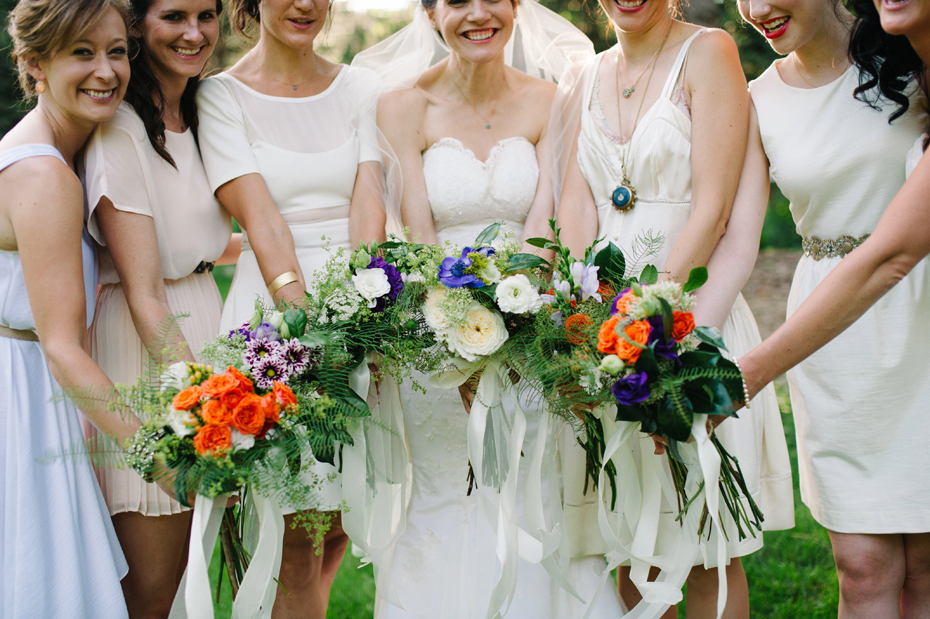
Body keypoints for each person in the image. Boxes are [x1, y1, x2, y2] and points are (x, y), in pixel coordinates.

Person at [356, 1, 623, 617]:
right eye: (455, 1)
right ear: (429, 14)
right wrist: (460, 342)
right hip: (432, 336)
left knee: (529, 491)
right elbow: (417, 235)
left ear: (515, 8)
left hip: (532, 334)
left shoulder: (553, 101)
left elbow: (546, 223)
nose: (478, 14)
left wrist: (514, 331)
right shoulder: (401, 106)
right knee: (448, 490)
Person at [554, 0, 795, 615]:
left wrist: (650, 323)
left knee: (710, 545)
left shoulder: (708, 51)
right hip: (606, 339)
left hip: (692, 315)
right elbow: (576, 210)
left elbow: (713, 207)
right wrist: (587, 330)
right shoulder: (584, 74)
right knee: (633, 545)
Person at [698, 0, 930, 613]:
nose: (756, 9)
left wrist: (750, 378)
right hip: (832, 331)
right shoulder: (757, 98)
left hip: (922, 312)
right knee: (862, 566)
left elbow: (898, 251)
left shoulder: (914, 52)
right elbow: (737, 237)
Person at [195, 0, 386, 614]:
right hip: (279, 324)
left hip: (359, 307)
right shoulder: (220, 96)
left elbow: (369, 203)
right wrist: (309, 341)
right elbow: (262, 220)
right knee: (296, 534)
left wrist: (369, 316)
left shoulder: (360, 85)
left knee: (336, 527)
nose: (303, 4)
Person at [78, 0, 235, 615]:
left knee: (190, 580)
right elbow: (145, 291)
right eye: (174, 16)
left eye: (206, 15)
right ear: (137, 25)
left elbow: (200, 242)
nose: (194, 33)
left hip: (202, 313)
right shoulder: (118, 126)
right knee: (151, 588)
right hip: (149, 347)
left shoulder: (200, 111)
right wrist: (199, 406)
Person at [1, 0, 149, 615]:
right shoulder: (43, 175)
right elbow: (61, 346)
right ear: (34, 65)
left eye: (116, 51)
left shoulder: (61, 154)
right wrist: (163, 456)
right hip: (26, 397)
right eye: (82, 53)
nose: (106, 71)